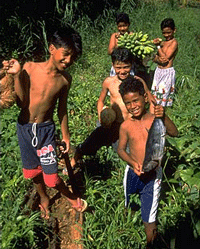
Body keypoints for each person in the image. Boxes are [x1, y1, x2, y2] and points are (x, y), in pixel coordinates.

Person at [2, 26, 87, 219]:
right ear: (51, 49)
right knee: (33, 173)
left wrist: (66, 136)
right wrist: (16, 76)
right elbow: (22, 103)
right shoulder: (30, 68)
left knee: (52, 177)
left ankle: (70, 196)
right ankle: (44, 198)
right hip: (24, 129)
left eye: (73, 58)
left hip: (45, 131)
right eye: (65, 55)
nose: (68, 61)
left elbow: (62, 110)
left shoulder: (65, 80)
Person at [117, 76, 178, 248]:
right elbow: (121, 150)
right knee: (129, 201)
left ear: (145, 97)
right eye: (127, 103)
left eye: (135, 100)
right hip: (133, 171)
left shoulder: (154, 119)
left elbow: (174, 132)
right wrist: (131, 162)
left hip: (152, 177)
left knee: (149, 217)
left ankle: (151, 242)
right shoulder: (126, 126)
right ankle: (125, 224)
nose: (132, 106)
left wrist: (163, 116)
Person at [69, 47, 155, 169]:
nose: (122, 71)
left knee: (135, 155)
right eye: (118, 68)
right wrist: (101, 116)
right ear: (113, 65)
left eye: (126, 67)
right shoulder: (109, 82)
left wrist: (149, 121)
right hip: (113, 124)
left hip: (132, 126)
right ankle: (75, 158)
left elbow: (151, 100)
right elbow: (100, 101)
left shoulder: (138, 81)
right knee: (91, 141)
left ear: (132, 65)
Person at [151, 18, 178, 107]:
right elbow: (157, 58)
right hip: (158, 70)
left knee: (164, 94)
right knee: (156, 95)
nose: (166, 35)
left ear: (174, 30)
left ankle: (163, 114)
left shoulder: (174, 43)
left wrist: (158, 47)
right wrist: (154, 56)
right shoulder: (162, 43)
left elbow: (165, 58)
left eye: (169, 32)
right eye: (164, 33)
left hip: (167, 72)